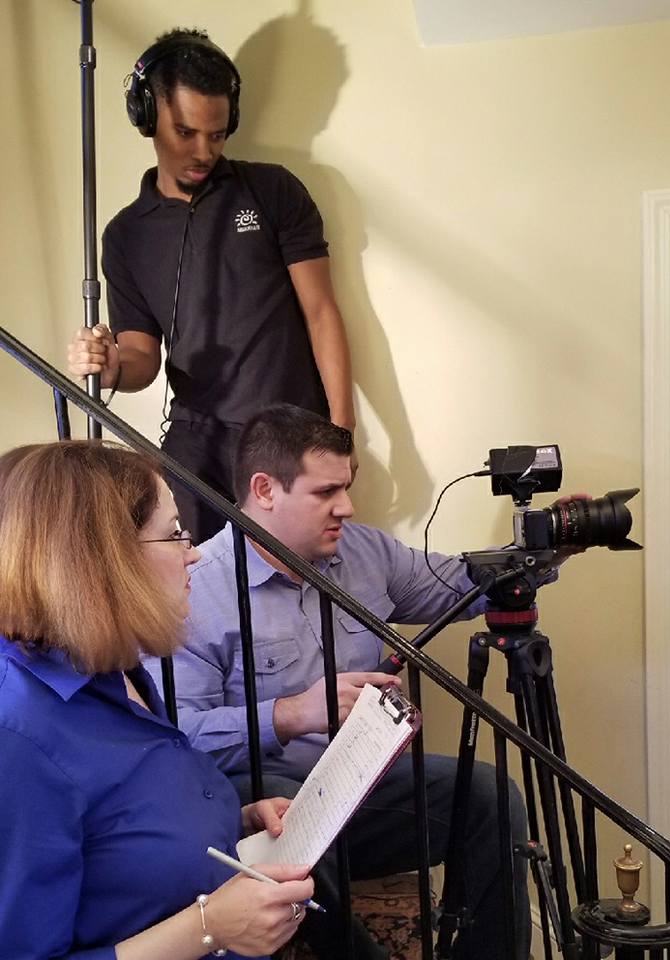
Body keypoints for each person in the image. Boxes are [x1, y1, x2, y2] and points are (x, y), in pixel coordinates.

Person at [158, 403, 555, 960]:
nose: (346, 506)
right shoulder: (196, 589)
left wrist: (543, 552)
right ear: (265, 490)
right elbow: (177, 739)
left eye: (345, 487)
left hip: (360, 794)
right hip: (265, 807)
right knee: (285, 808)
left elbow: (459, 585)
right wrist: (291, 713)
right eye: (326, 492)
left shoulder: (365, 552)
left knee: (489, 794)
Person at [0, 440, 314, 959]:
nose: (194, 552)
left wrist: (231, 821)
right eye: (173, 534)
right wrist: (208, 927)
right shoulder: (19, 736)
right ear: (103, 559)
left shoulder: (112, 665)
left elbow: (115, 831)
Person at [66, 28, 355, 544]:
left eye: (217, 135)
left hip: (289, 430)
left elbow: (321, 313)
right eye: (186, 132)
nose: (203, 151)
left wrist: (342, 431)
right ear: (147, 117)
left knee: (296, 574)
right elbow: (141, 356)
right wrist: (112, 367)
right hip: (197, 440)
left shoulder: (273, 190)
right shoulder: (125, 235)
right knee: (181, 566)